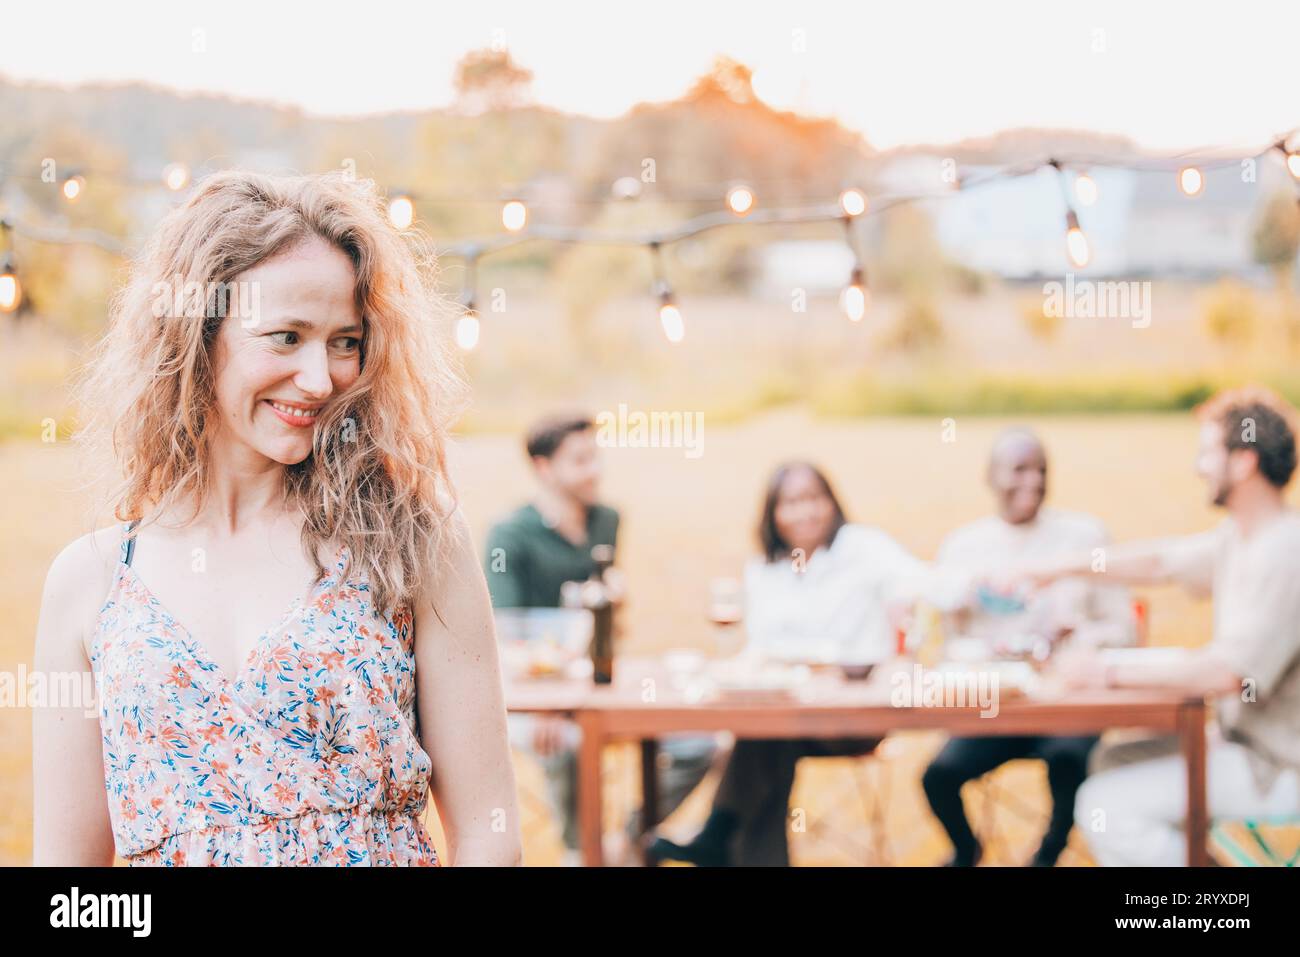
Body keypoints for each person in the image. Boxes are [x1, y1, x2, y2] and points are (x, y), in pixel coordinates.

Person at [31, 170, 521, 866]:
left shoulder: (411, 541)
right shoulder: (91, 582)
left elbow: (491, 833)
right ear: (195, 335)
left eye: (345, 341)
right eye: (286, 337)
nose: (321, 379)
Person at [1012, 387, 1300, 866]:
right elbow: (1160, 562)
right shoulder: (1242, 538)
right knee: (1108, 761)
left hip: (1280, 766)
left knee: (1105, 804)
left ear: (1245, 461)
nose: (1198, 466)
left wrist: (1103, 670)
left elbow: (1223, 674)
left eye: (1208, 452)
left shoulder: (1285, 553)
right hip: (1245, 746)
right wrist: (1056, 566)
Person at [648, 461, 931, 866]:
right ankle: (722, 839)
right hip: (789, 712)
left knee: (763, 736)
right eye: (792, 502)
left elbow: (922, 586)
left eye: (815, 499)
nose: (806, 512)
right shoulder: (767, 567)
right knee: (769, 734)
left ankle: (718, 833)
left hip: (853, 712)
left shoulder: (861, 548)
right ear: (773, 513)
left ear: (832, 503)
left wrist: (896, 646)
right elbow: (763, 648)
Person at [484, 413, 716, 865]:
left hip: (597, 685)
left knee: (700, 741)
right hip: (532, 701)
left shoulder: (607, 520)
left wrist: (615, 606)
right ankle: (581, 853)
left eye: (596, 457)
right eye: (581, 460)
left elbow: (605, 619)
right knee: (568, 744)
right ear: (544, 467)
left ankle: (627, 843)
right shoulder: (508, 536)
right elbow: (502, 638)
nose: (596, 470)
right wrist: (552, 699)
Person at [920, 428, 1134, 867]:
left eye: (1041, 470)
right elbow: (946, 646)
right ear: (990, 476)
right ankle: (965, 850)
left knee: (1068, 759)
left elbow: (1125, 629)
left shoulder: (1085, 536)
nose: (1033, 481)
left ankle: (1049, 852)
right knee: (937, 776)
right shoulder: (963, 547)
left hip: (1066, 702)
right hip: (993, 707)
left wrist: (1080, 635)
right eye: (1019, 469)